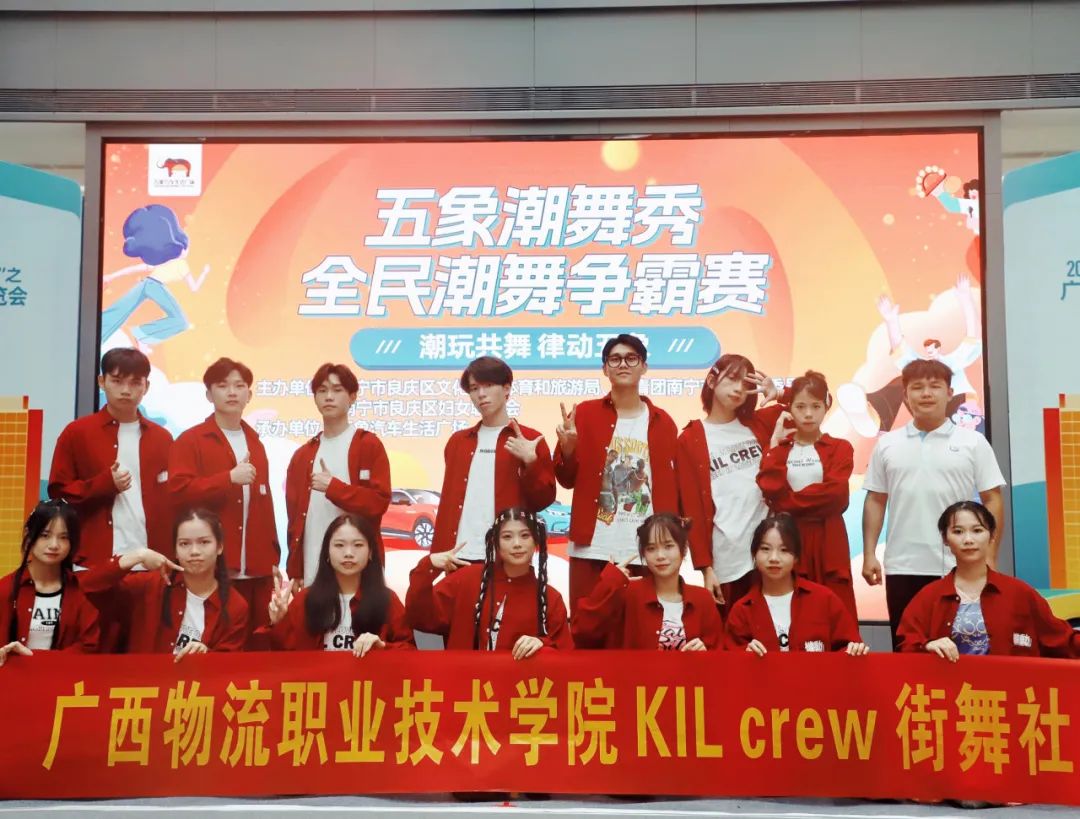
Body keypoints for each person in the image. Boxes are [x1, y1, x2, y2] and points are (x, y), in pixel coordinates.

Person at [862, 358, 1005, 648]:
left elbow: (992, 499)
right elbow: (875, 500)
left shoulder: (973, 442)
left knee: (962, 648)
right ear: (905, 395)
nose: (926, 393)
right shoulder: (888, 444)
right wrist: (868, 554)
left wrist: (990, 555)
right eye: (917, 387)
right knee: (907, 648)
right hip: (903, 566)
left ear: (949, 393)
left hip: (960, 563)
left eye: (935, 386)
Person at [48, 348, 174, 650]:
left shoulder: (163, 438)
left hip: (149, 567)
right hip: (95, 566)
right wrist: (103, 485)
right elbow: (58, 492)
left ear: (146, 386)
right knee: (91, 653)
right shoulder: (78, 433)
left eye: (135, 382)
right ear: (101, 382)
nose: (126, 390)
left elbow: (173, 502)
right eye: (117, 381)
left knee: (143, 657)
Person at [554, 334, 678, 615]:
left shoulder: (662, 422)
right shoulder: (584, 414)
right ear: (605, 369)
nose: (623, 364)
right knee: (587, 624)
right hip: (592, 547)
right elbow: (565, 479)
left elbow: (672, 485)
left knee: (644, 626)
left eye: (631, 358)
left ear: (644, 367)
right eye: (615, 359)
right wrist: (568, 450)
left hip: (647, 548)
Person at [169, 357, 279, 628]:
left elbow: (264, 505)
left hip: (257, 571)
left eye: (239, 386)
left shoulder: (256, 443)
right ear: (209, 394)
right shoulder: (191, 440)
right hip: (213, 571)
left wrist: (273, 558)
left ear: (249, 395)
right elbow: (178, 493)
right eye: (222, 385)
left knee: (258, 643)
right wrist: (228, 479)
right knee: (216, 644)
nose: (232, 392)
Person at [898, 501, 1080, 660]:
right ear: (945, 538)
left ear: (992, 535)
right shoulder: (929, 596)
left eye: (977, 530)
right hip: (950, 688)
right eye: (958, 531)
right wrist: (927, 645)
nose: (968, 540)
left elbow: (1061, 640)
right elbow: (906, 643)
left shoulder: (1020, 593)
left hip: (1008, 688)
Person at [676, 354, 782, 616]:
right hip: (728, 556)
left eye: (746, 384)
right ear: (712, 381)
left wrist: (779, 392)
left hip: (770, 553)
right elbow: (691, 507)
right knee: (733, 633)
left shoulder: (759, 423)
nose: (739, 389)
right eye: (732, 379)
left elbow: (812, 405)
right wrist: (705, 568)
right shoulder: (690, 438)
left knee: (774, 630)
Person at [432, 356, 555, 561]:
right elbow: (449, 503)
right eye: (474, 388)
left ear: (506, 389)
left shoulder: (529, 439)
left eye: (488, 385)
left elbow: (543, 500)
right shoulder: (458, 442)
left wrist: (531, 464)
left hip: (507, 557)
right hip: (457, 555)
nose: (481, 394)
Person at [81, 508, 249, 659]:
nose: (194, 551)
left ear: (219, 547)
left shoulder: (236, 606)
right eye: (184, 544)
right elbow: (86, 589)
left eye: (204, 542)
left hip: (197, 684)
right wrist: (136, 556)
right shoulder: (150, 585)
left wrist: (207, 655)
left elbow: (229, 668)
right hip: (144, 681)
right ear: (175, 550)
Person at [757, 371, 857, 619]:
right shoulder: (780, 449)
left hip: (828, 538)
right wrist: (774, 443)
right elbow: (769, 487)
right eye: (800, 407)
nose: (808, 414)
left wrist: (786, 502)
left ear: (826, 406)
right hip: (788, 539)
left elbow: (835, 496)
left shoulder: (840, 448)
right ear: (790, 408)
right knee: (790, 608)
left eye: (816, 406)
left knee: (833, 607)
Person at [406, 508, 571, 656]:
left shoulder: (551, 598)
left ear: (536, 541)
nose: (517, 544)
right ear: (496, 543)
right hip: (463, 679)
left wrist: (543, 645)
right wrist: (427, 567)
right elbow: (420, 617)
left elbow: (566, 658)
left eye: (525, 536)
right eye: (507, 537)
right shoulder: (466, 579)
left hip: (518, 682)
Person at [285, 363, 391, 586]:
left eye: (337, 390)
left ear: (352, 397)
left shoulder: (368, 445)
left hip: (360, 569)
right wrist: (295, 569)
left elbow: (378, 502)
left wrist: (334, 488)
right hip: (313, 567)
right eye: (322, 391)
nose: (329, 397)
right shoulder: (302, 455)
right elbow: (294, 520)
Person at [262, 514, 414, 654]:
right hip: (320, 676)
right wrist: (279, 623)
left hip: (368, 676)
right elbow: (285, 659)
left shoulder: (387, 600)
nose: (348, 553)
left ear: (370, 553)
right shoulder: (305, 599)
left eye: (358, 545)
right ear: (327, 553)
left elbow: (411, 653)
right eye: (339, 545)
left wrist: (383, 647)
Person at [572, 513, 723, 650]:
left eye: (668, 546)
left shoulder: (703, 598)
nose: (660, 555)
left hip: (688, 673)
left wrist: (704, 654)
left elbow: (719, 654)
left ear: (683, 549)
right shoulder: (627, 593)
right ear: (643, 554)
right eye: (651, 548)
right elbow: (582, 632)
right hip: (633, 673)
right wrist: (610, 582)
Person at [726, 514, 869, 656]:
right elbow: (728, 659)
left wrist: (854, 650)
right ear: (754, 554)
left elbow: (849, 647)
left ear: (796, 557)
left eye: (784, 550)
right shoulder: (742, 611)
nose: (774, 558)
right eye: (765, 549)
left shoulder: (825, 600)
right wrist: (745, 655)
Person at [0, 501, 99, 666]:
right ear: (29, 535)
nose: (54, 545)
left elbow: (89, 647)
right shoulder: (5, 589)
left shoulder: (79, 590)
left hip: (63, 679)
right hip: (11, 679)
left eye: (64, 537)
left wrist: (36, 658)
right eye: (45, 535)